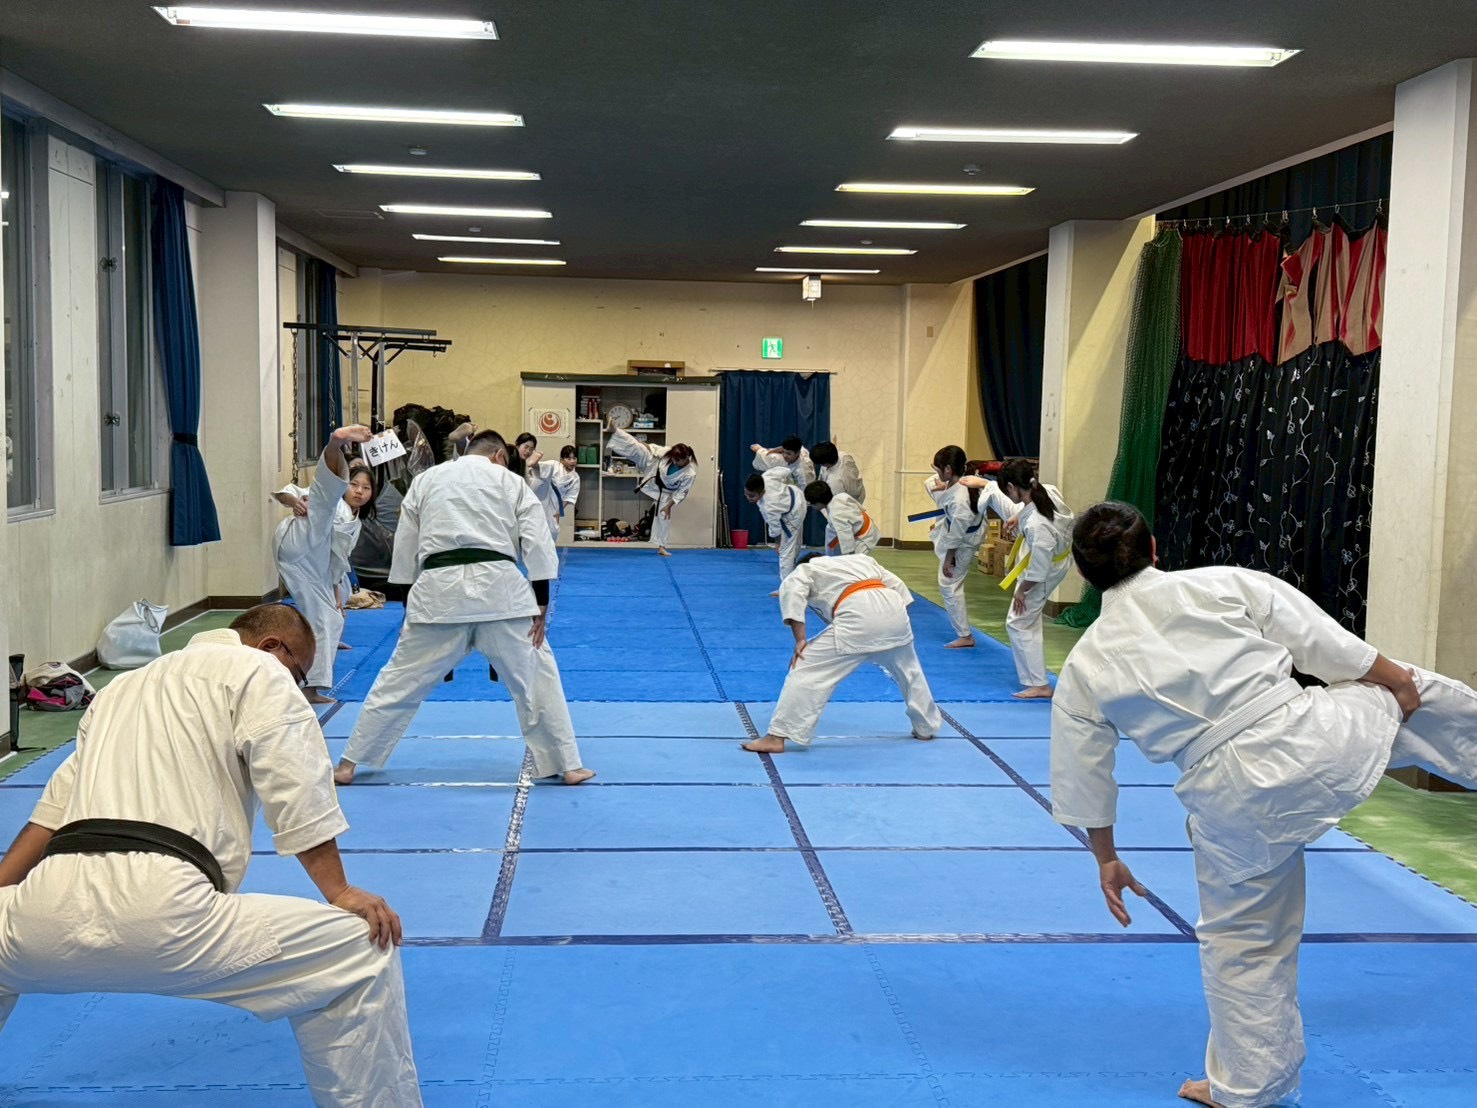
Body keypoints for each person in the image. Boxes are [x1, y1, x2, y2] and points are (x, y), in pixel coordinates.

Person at [1050, 501, 1477, 1108]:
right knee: (1413, 691)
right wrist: (1397, 681)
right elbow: (1322, 643)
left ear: (1082, 573)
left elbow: (1082, 772)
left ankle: (1246, 1086)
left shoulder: (1085, 665)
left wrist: (1107, 857)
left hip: (1231, 802)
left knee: (1242, 943)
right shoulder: (1219, 583)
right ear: (1153, 549)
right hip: (1314, 740)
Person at [0, 603, 422, 1105]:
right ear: (271, 647)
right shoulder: (258, 669)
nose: (299, 688)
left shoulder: (119, 690)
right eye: (300, 674)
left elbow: (49, 817)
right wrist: (340, 890)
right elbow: (296, 782)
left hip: (43, 917)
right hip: (168, 917)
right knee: (362, 950)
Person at [334, 430, 595, 787]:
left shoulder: (426, 480)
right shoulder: (509, 481)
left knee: (397, 681)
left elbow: (406, 545)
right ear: (500, 455)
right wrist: (541, 602)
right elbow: (536, 541)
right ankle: (568, 765)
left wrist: (411, 605)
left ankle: (348, 764)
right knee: (538, 678)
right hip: (500, 594)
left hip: (437, 595)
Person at [741, 552, 941, 753]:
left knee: (806, 667)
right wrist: (892, 619)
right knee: (910, 672)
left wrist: (800, 639)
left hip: (859, 615)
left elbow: (792, 592)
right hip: (895, 613)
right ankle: (925, 727)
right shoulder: (862, 560)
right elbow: (899, 587)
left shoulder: (806, 568)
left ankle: (776, 737)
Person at [272, 424, 376, 703]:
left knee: (332, 612)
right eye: (354, 484)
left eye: (366, 488)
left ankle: (319, 652)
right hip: (301, 541)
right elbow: (284, 493)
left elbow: (337, 561)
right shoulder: (335, 504)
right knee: (324, 502)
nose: (359, 491)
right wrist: (295, 502)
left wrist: (336, 595)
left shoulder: (353, 521)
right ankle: (334, 443)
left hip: (311, 557)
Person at [995, 458, 1075, 698]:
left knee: (1019, 621)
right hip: (1055, 559)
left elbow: (1039, 570)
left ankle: (1039, 683)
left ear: (1012, 487)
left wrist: (1022, 591)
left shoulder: (1037, 525)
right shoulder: (1047, 490)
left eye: (1006, 491)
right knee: (1027, 619)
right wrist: (1019, 516)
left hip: (1046, 570)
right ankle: (1037, 680)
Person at [924, 445, 1012, 649]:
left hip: (963, 543)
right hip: (964, 528)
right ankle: (964, 634)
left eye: (939, 469)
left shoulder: (960, 500)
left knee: (949, 584)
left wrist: (949, 558)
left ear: (948, 469)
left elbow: (956, 534)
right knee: (930, 483)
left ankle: (965, 635)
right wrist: (943, 484)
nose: (937, 473)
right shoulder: (967, 481)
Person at [606, 421, 697, 556]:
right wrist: (644, 445)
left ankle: (661, 547)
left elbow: (681, 493)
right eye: (673, 459)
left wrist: (669, 506)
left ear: (686, 458)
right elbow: (653, 448)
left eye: (677, 460)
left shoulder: (690, 473)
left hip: (665, 491)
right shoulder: (669, 452)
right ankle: (615, 430)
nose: (674, 462)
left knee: (664, 516)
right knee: (638, 447)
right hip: (653, 467)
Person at [744, 468, 807, 585]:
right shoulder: (767, 477)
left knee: (785, 551)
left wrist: (778, 544)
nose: (748, 498)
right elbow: (786, 471)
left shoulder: (768, 507)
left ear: (762, 492)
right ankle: (794, 569)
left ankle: (786, 586)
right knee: (794, 542)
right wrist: (789, 483)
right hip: (797, 493)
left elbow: (776, 530)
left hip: (795, 512)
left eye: (752, 496)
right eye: (746, 494)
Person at [808, 442, 866, 550]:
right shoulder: (844, 456)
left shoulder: (835, 483)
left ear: (825, 463)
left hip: (847, 506)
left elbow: (829, 505)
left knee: (838, 534)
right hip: (856, 493)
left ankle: (843, 554)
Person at [804, 481, 879, 555]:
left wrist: (847, 555)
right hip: (863, 525)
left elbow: (846, 537)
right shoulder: (841, 496)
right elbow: (860, 507)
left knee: (852, 561)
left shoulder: (836, 515)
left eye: (811, 503)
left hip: (864, 537)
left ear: (818, 503)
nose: (811, 505)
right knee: (830, 530)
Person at [527, 445, 581, 545]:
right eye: (569, 458)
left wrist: (559, 510)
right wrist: (534, 463)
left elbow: (569, 497)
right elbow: (539, 469)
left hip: (554, 503)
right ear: (562, 460)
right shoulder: (554, 465)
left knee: (553, 531)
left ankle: (548, 550)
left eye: (574, 458)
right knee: (535, 529)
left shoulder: (575, 478)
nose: (572, 461)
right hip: (541, 496)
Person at [751, 436, 816, 489]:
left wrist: (759, 450)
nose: (785, 456)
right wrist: (768, 450)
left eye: (788, 454)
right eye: (783, 452)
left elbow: (806, 492)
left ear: (797, 453)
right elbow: (783, 448)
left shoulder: (803, 472)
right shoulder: (797, 447)